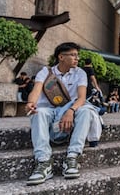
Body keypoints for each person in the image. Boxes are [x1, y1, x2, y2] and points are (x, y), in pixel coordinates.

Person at [25, 42, 97, 185]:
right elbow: (36, 90)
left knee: (86, 110)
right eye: (73, 55)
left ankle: (72, 157)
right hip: (50, 110)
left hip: (71, 108)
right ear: (61, 57)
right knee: (38, 112)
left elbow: (82, 97)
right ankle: (44, 162)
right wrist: (30, 103)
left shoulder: (80, 73)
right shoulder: (45, 72)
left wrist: (70, 111)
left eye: (77, 55)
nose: (77, 58)